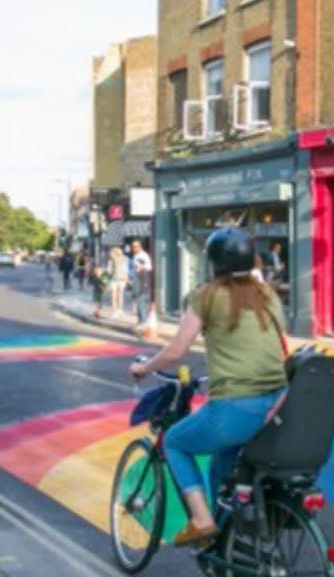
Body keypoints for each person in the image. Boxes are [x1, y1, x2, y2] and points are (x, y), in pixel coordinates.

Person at [129, 228, 287, 547]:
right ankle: (226, 536)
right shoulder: (267, 293)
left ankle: (202, 520)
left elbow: (176, 351)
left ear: (213, 263)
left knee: (174, 442)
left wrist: (143, 368)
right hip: (276, 405)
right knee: (221, 465)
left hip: (235, 408)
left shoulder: (206, 296)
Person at [131, 239, 153, 327]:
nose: (134, 248)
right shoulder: (135, 256)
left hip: (143, 279)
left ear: (140, 247)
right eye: (133, 247)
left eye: (136, 247)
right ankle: (140, 319)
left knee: (142, 299)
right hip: (137, 279)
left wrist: (141, 266)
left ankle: (143, 320)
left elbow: (149, 267)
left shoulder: (144, 255)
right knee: (138, 299)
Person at [108, 246, 129, 316]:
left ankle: (115, 310)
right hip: (121, 279)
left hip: (114, 279)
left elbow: (109, 270)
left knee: (114, 296)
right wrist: (126, 278)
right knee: (120, 295)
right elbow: (126, 270)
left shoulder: (111, 259)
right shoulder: (124, 259)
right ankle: (119, 309)